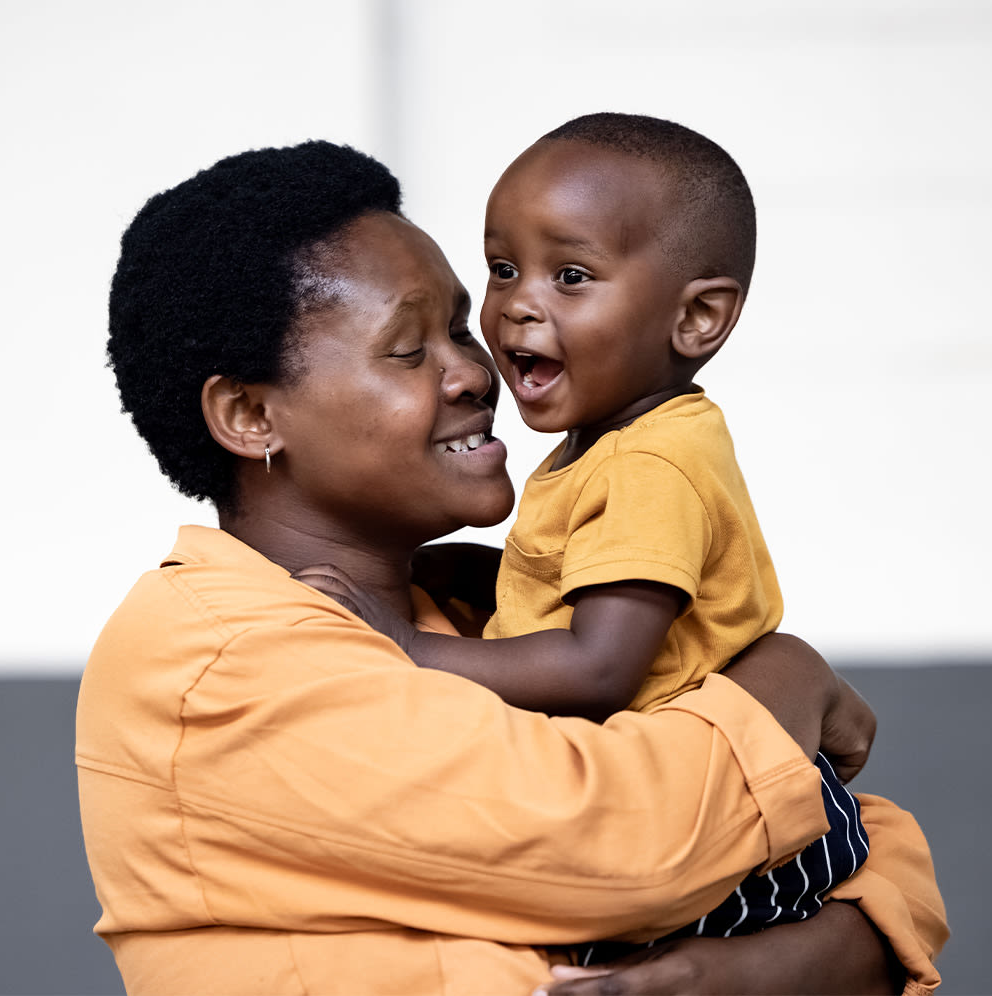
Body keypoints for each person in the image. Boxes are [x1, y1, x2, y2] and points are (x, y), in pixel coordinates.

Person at [77, 139, 948, 995]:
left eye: (459, 325)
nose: (474, 369)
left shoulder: (467, 621)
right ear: (251, 415)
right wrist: (789, 680)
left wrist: (792, 962)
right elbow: (623, 848)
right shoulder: (220, 657)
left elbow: (878, 851)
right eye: (410, 349)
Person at [320, 112, 869, 943]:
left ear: (698, 319)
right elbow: (566, 582)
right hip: (716, 783)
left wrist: (408, 644)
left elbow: (600, 666)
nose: (515, 308)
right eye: (504, 269)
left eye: (571, 275)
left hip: (742, 824)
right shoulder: (613, 444)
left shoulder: (649, 464)